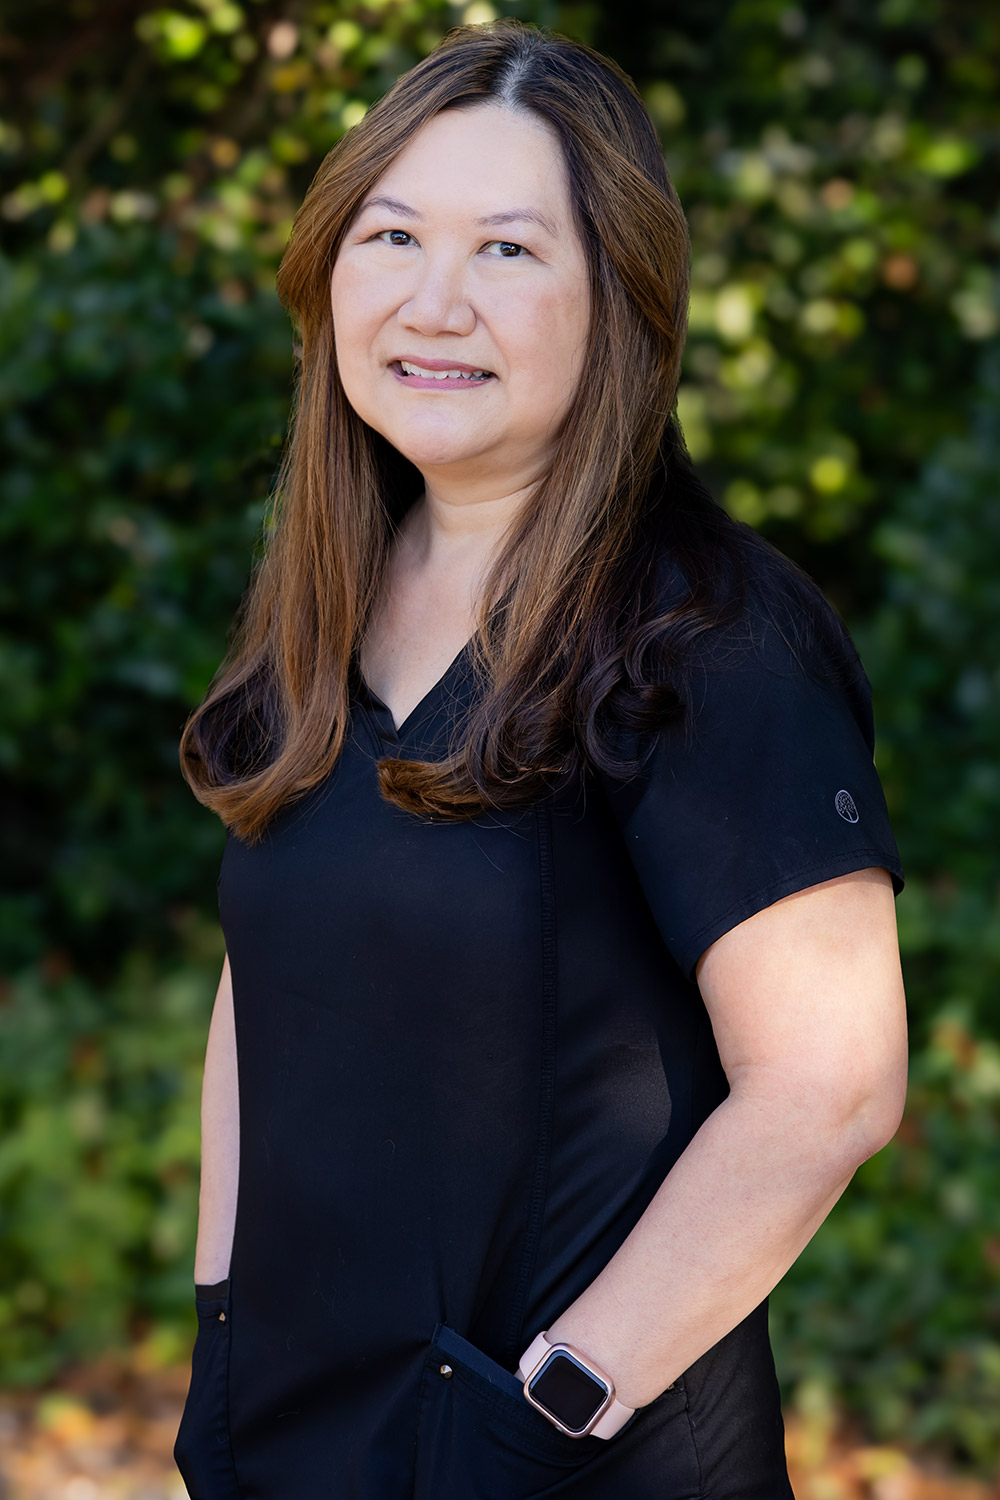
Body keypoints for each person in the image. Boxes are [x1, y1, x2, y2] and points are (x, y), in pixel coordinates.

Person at [173, 19, 907, 1499]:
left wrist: (556, 1402)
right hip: (304, 1443)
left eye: (507, 252)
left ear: (615, 298)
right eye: (393, 236)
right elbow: (263, 989)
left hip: (566, 1459)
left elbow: (828, 1086)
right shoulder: (328, 599)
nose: (434, 303)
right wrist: (220, 1341)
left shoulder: (708, 636)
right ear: (329, 276)